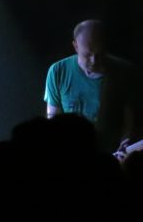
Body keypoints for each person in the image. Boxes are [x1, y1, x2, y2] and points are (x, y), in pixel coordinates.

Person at [44, 19, 139, 153]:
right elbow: (53, 119)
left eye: (99, 54)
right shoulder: (57, 72)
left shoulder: (124, 72)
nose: (94, 60)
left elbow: (129, 118)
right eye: (87, 55)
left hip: (111, 154)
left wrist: (125, 143)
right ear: (75, 46)